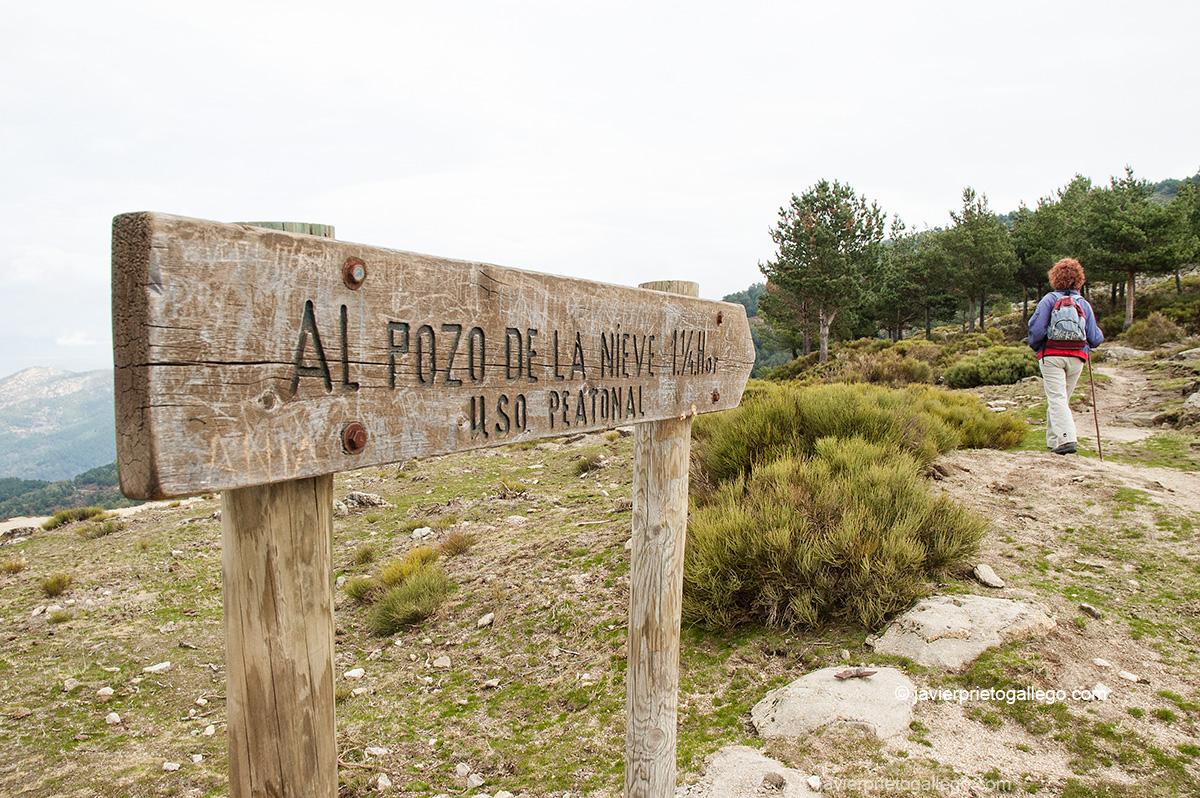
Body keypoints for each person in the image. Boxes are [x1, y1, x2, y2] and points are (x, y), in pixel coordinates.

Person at [1026, 258, 1105, 454]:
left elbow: (1036, 329)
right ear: (1079, 280)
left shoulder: (1049, 300)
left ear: (1055, 278)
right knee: (1061, 399)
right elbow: (1094, 337)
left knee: (1056, 398)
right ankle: (1054, 441)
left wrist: (1037, 347)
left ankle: (1066, 439)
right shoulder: (1083, 303)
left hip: (1051, 356)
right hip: (1077, 358)